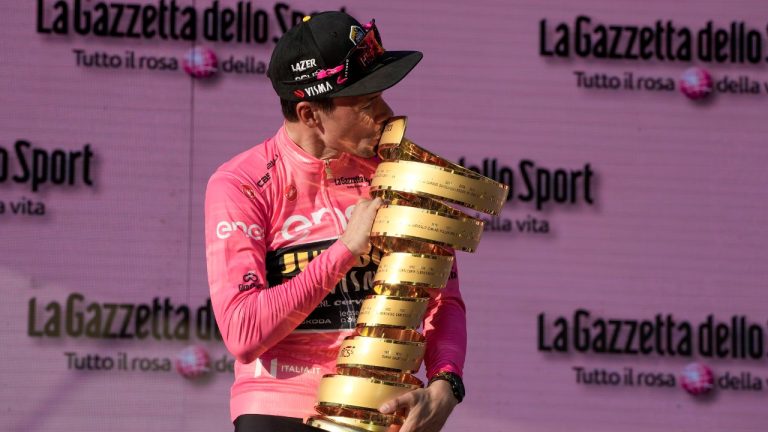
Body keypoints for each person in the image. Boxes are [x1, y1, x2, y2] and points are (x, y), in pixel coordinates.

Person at [204, 11, 466, 432]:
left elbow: (443, 299)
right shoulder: (243, 182)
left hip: (385, 408)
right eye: (365, 104)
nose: (386, 114)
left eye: (380, 96)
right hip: (280, 408)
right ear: (309, 114)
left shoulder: (397, 169)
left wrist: (446, 382)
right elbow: (244, 332)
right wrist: (344, 250)